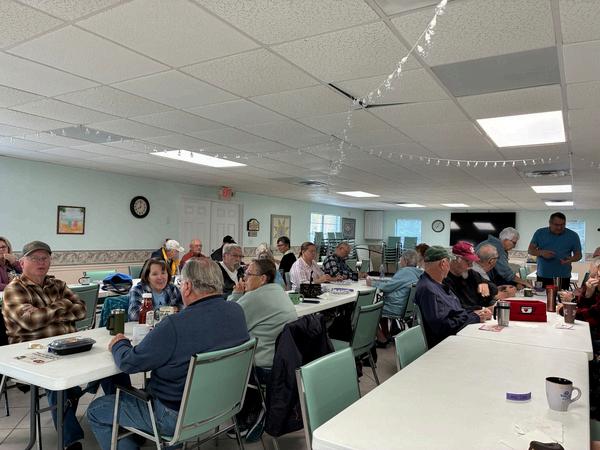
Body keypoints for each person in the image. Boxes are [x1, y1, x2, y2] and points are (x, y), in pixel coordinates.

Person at [87, 258, 250, 450]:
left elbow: (129, 363)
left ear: (187, 287)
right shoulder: (237, 311)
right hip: (222, 405)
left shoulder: (175, 325)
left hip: (175, 416)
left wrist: (119, 343)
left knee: (96, 409)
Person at [2, 241, 88, 449]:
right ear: (22, 263)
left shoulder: (57, 284)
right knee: (57, 381)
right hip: (32, 354)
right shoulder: (14, 289)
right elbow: (31, 322)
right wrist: (64, 305)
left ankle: (124, 421)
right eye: (34, 258)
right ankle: (70, 441)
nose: (41, 262)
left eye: (45, 258)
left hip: (68, 346)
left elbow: (82, 310)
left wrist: (45, 312)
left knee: (114, 367)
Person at [229, 259, 297, 372]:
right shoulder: (279, 290)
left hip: (261, 368)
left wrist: (236, 295)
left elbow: (228, 321)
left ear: (262, 279)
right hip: (283, 362)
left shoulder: (254, 297)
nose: (244, 278)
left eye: (249, 274)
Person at [414, 246, 490, 348]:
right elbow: (444, 328)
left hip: (454, 337)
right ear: (443, 263)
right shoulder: (429, 290)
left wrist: (474, 313)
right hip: (445, 345)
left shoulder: (436, 285)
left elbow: (455, 312)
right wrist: (475, 317)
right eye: (449, 263)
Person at [367, 249, 422, 342]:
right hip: (408, 308)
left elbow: (388, 287)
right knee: (379, 307)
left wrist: (371, 283)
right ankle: (386, 334)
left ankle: (381, 339)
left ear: (406, 260)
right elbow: (395, 283)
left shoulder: (404, 272)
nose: (399, 261)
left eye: (401, 258)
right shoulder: (418, 273)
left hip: (395, 307)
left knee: (369, 311)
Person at [528, 212, 582, 290]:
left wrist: (571, 259)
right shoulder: (540, 233)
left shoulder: (573, 236)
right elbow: (530, 250)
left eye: (562, 225)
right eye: (556, 225)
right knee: (541, 296)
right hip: (543, 275)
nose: (559, 227)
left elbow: (579, 255)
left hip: (563, 276)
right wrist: (542, 253)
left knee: (561, 297)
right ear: (550, 223)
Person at [443, 241, 500, 310]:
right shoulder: (444, 279)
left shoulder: (470, 273)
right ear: (456, 259)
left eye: (472, 262)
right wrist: (482, 309)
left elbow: (494, 289)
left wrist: (485, 284)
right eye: (467, 261)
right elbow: (457, 306)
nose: (471, 265)